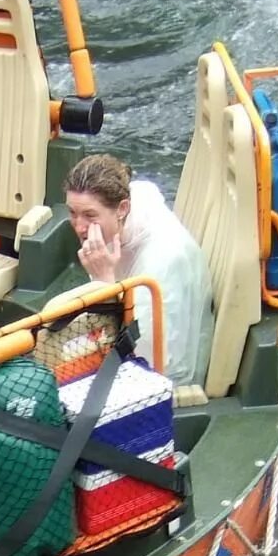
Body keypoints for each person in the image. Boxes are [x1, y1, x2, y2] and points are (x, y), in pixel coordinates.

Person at [63, 153, 208, 388]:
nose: (79, 227)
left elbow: (145, 357)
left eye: (90, 215)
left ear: (122, 208)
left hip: (162, 381)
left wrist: (104, 284)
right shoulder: (120, 220)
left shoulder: (162, 261)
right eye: (72, 213)